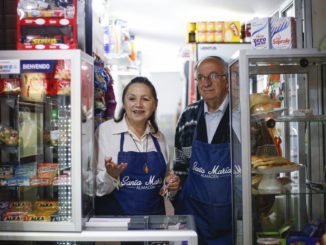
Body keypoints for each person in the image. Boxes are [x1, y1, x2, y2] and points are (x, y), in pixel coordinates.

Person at [94, 76, 180, 216]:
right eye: (132, 98)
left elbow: (165, 186)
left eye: (145, 99)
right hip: (117, 229)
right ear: (124, 102)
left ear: (155, 104)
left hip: (153, 227)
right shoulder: (106, 132)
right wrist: (111, 176)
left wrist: (172, 186)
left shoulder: (160, 138)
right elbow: (95, 189)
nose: (138, 104)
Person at [172, 56, 232, 244]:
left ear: (227, 80)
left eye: (213, 75)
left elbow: (265, 166)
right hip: (196, 221)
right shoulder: (188, 117)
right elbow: (180, 167)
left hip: (236, 221)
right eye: (200, 77)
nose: (206, 83)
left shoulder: (245, 115)